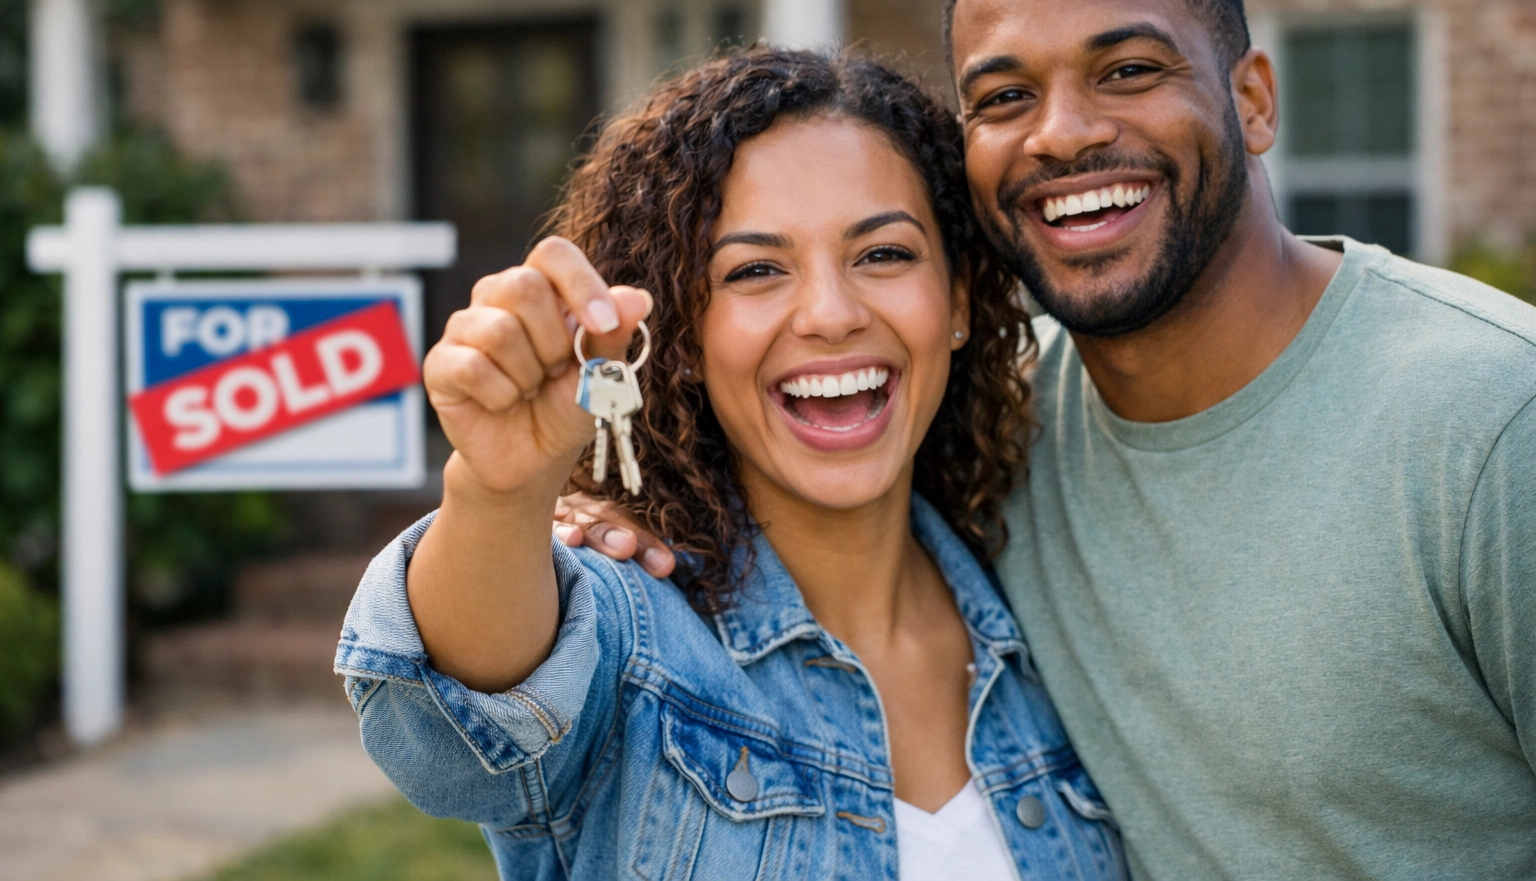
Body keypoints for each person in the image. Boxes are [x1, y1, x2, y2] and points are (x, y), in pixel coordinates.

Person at [559, 0, 1536, 881]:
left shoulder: (1491, 419)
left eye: (1127, 68)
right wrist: (591, 501)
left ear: (1251, 100)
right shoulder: (1001, 426)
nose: (1061, 132)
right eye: (1004, 97)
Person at [335, 49, 1126, 880]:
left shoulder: (1042, 616)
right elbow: (448, 740)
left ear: (959, 301)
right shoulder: (634, 629)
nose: (829, 314)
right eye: (755, 270)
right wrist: (500, 491)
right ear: (684, 331)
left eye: (883, 255)